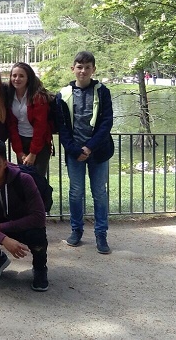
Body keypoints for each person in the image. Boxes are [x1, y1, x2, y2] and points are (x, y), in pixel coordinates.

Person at [0, 138, 49, 291]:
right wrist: (3, 239)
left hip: (25, 223)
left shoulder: (24, 179)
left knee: (37, 235)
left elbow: (39, 217)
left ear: (5, 163)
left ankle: (40, 267)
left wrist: (2, 227)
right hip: (1, 223)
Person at [57, 51, 115, 254]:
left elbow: (106, 123)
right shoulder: (63, 94)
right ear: (73, 69)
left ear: (93, 70)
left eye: (87, 67)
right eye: (79, 67)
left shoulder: (102, 92)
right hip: (75, 153)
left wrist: (90, 147)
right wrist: (74, 150)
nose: (83, 71)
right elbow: (62, 127)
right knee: (76, 193)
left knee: (99, 193)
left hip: (98, 151)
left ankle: (101, 234)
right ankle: (76, 230)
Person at [6, 62, 53, 178]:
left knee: (38, 180)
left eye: (21, 76)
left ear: (28, 78)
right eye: (14, 75)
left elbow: (40, 127)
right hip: (21, 141)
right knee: (24, 179)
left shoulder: (38, 97)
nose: (17, 79)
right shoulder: (9, 96)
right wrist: (19, 152)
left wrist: (33, 153)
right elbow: (12, 125)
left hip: (39, 143)